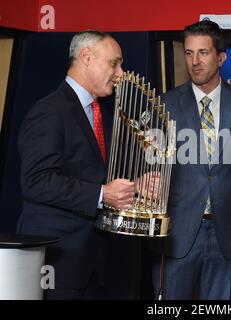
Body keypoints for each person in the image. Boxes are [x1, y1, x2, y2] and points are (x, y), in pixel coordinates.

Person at [17, 31, 153, 299]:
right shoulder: (49, 111)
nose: (121, 73)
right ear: (86, 57)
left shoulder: (103, 113)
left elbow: (95, 175)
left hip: (97, 262)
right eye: (114, 63)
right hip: (59, 262)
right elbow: (36, 182)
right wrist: (103, 195)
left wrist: (136, 187)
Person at [151, 20, 231, 300]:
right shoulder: (164, 105)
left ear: (221, 57)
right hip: (178, 232)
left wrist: (227, 191)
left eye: (203, 53)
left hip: (227, 232)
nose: (194, 61)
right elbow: (153, 165)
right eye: (189, 53)